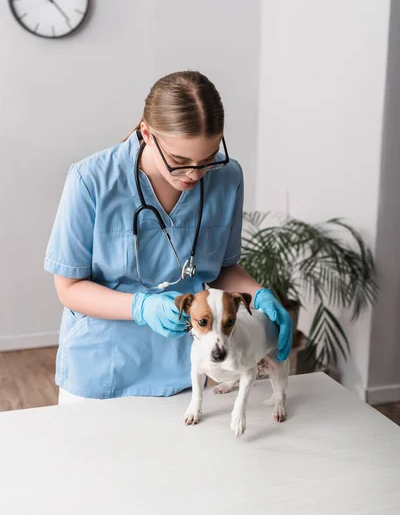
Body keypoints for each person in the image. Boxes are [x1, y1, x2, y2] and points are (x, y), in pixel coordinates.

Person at [44, 71, 292, 404]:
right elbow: (69, 288)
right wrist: (141, 307)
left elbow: (222, 268)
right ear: (147, 133)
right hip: (103, 365)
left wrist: (258, 294)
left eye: (206, 160)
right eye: (179, 161)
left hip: (189, 366)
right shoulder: (91, 180)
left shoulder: (228, 176)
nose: (193, 174)